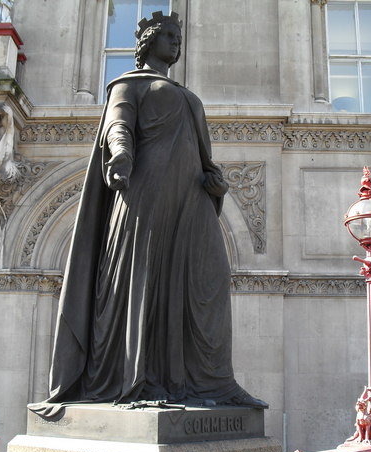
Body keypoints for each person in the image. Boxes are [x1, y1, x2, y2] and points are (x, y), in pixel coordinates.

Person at [32, 11, 266, 416]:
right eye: (169, 35)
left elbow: (200, 155)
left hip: (191, 202)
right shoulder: (128, 85)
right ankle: (138, 379)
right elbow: (117, 125)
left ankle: (215, 381)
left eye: (179, 36)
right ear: (148, 42)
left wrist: (217, 185)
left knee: (208, 283)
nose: (177, 41)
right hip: (146, 195)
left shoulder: (188, 95)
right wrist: (121, 154)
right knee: (144, 281)